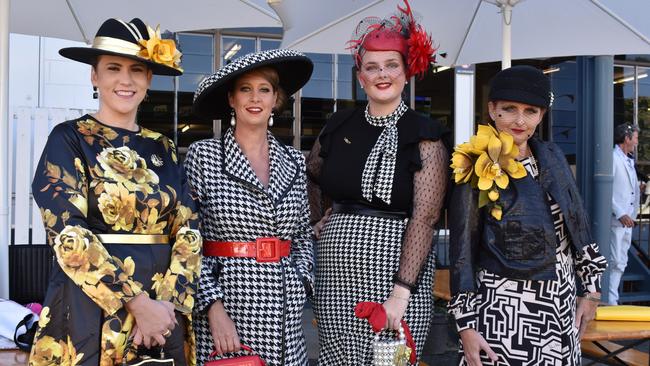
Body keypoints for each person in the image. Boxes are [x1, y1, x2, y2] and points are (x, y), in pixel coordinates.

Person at [29, 18, 202, 366]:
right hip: (89, 307)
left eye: (137, 69)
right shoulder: (69, 139)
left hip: (162, 316)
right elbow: (68, 234)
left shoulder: (164, 147)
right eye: (113, 68)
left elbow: (189, 227)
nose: (126, 80)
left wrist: (165, 305)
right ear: (95, 76)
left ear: (149, 79)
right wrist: (137, 304)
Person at [306, 1, 449, 363]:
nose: (381, 74)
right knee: (337, 358)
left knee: (393, 358)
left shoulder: (426, 135)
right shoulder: (338, 125)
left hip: (397, 271)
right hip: (335, 272)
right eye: (372, 67)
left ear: (405, 72)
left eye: (390, 65)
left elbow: (426, 217)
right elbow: (312, 176)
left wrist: (401, 293)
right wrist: (318, 219)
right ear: (360, 77)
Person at [448, 65, 608, 366]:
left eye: (531, 111)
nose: (520, 121)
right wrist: (466, 326)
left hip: (560, 304)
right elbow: (461, 253)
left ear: (542, 115)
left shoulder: (552, 156)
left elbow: (579, 225)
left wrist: (591, 290)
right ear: (492, 109)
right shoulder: (475, 166)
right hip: (503, 309)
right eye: (509, 109)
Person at [187, 49, 314, 365]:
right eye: (245, 89)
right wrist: (212, 306)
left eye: (264, 89)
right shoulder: (203, 157)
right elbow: (187, 242)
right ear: (231, 99)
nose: (254, 98)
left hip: (286, 310)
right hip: (227, 307)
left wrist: (301, 282)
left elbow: (301, 237)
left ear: (276, 100)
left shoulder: (296, 163)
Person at [609, 123, 641, 305]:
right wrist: (620, 213)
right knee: (614, 261)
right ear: (627, 138)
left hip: (628, 220)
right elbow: (607, 190)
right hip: (616, 220)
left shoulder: (628, 160)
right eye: (635, 138)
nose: (636, 142)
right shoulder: (613, 158)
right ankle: (610, 300)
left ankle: (613, 298)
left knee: (621, 262)